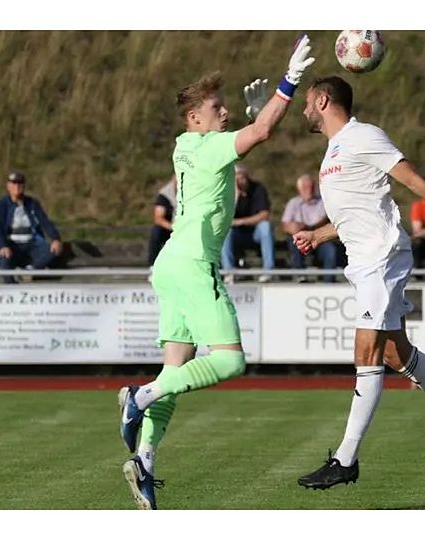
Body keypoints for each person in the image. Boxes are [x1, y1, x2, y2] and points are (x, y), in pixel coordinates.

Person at [116, 35, 316, 510]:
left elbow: (243, 140)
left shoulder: (186, 146)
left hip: (169, 264)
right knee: (229, 360)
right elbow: (263, 133)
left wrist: (246, 119)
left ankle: (144, 460)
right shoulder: (209, 149)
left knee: (176, 369)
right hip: (191, 265)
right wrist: (289, 82)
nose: (224, 113)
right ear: (194, 119)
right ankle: (138, 397)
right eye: (216, 108)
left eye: (225, 109)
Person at [292, 75, 425, 490]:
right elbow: (355, 212)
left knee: (365, 348)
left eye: (308, 102)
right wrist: (318, 234)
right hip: (365, 259)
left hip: (382, 257)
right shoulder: (334, 150)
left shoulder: (362, 135)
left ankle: (345, 458)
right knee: (394, 354)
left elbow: (414, 180)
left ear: (324, 100)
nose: (303, 110)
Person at [0, 171, 63, 284]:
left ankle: (28, 271)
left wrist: (55, 238)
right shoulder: (1, 204)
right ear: (8, 186)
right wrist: (3, 245)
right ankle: (9, 286)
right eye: (13, 184)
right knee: (4, 255)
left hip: (31, 242)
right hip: (11, 243)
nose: (17, 187)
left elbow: (45, 221)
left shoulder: (32, 203)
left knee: (54, 250)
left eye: (20, 184)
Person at [221, 164, 275, 282]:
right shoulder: (227, 190)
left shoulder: (258, 188)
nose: (240, 181)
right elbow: (224, 218)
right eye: (236, 179)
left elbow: (264, 214)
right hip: (236, 234)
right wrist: (235, 197)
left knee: (265, 227)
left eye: (242, 178)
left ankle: (268, 270)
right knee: (225, 231)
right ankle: (228, 271)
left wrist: (241, 222)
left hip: (254, 232)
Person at [281, 174, 337, 282]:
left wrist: (307, 228)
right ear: (299, 189)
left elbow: (324, 220)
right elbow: (285, 225)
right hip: (301, 238)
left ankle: (329, 281)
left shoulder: (323, 202)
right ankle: (300, 275)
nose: (309, 190)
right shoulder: (293, 203)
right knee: (294, 241)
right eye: (306, 188)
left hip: (320, 238)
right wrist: (293, 227)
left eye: (311, 187)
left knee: (330, 250)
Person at [147, 176, 177, 266]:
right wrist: (174, 227)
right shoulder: (165, 195)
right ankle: (153, 265)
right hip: (170, 228)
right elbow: (158, 218)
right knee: (156, 232)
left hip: (188, 227)